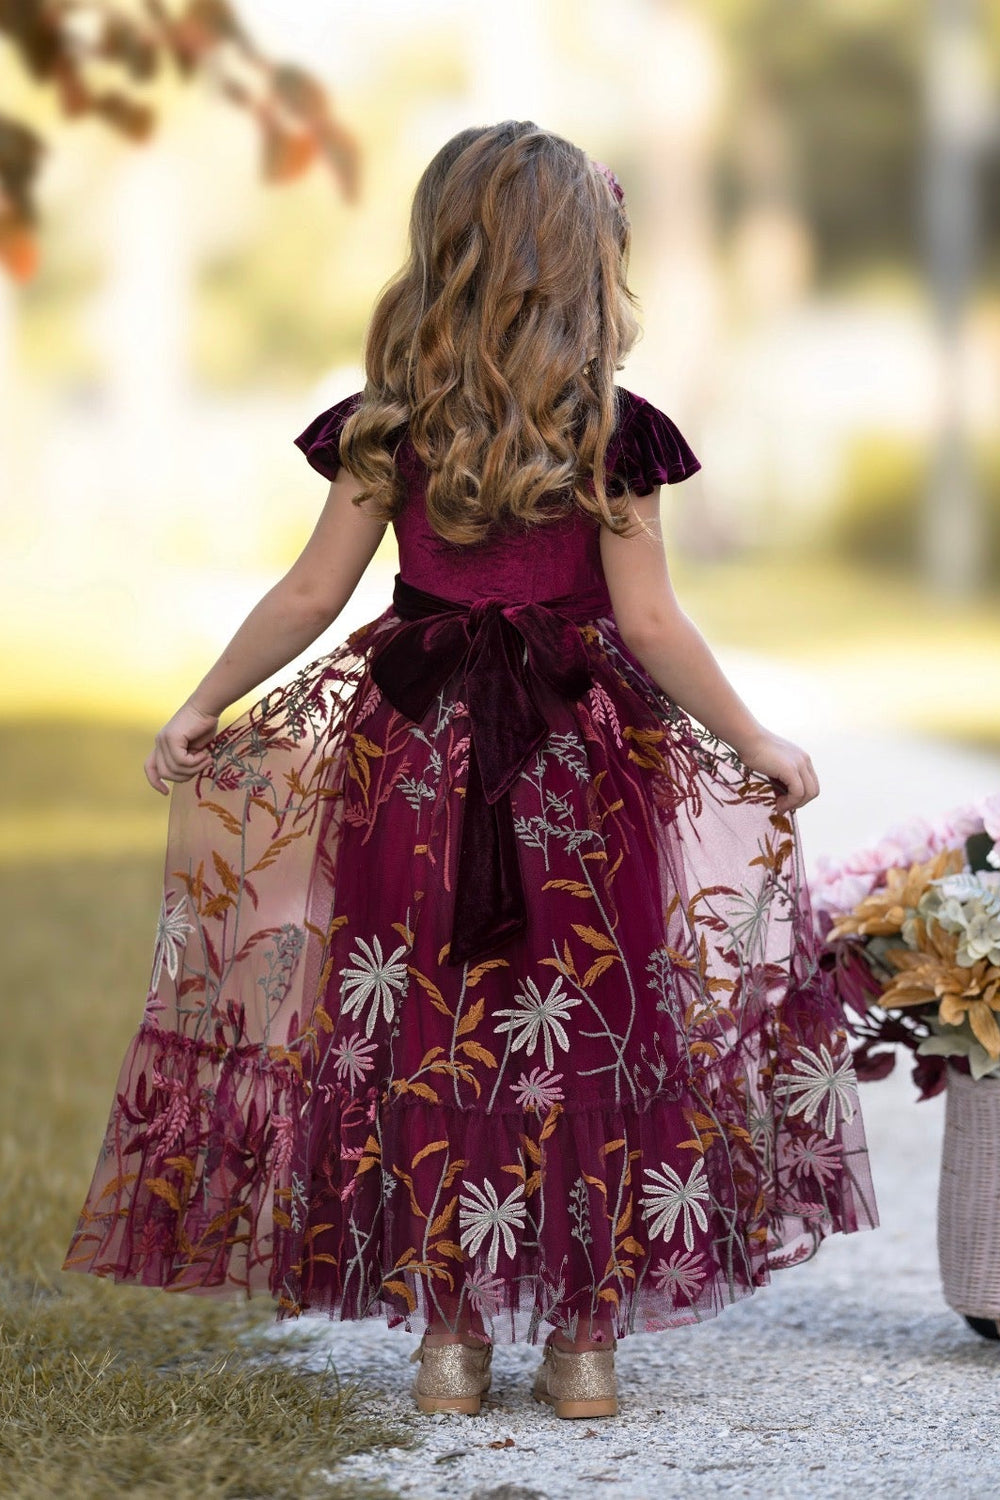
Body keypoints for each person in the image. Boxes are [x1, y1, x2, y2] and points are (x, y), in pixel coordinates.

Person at [62, 121, 877, 1421]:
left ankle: (448, 1343)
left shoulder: (393, 425)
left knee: (427, 1019)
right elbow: (653, 625)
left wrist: (207, 703)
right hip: (583, 763)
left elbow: (312, 593)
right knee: (597, 1021)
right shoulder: (612, 429)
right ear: (585, 264)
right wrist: (755, 740)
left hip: (413, 756)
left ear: (440, 254)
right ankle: (585, 1343)